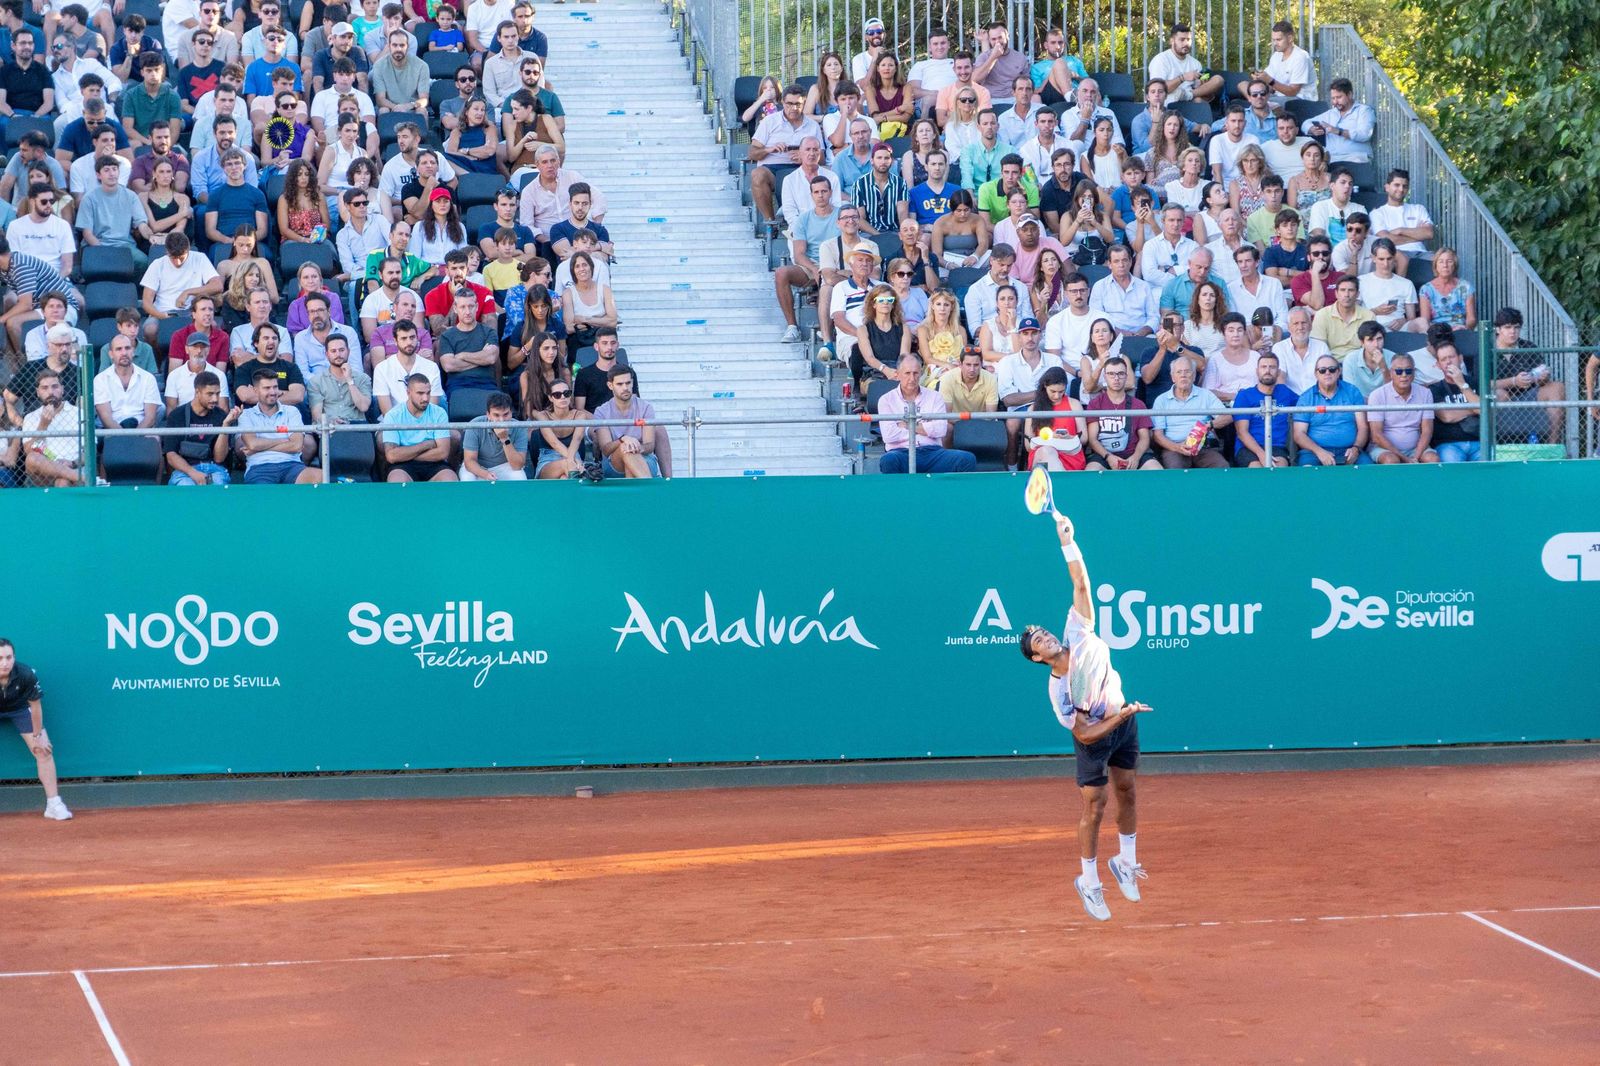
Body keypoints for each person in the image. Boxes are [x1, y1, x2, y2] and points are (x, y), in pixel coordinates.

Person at [1020, 513, 1152, 922]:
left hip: (1121, 720)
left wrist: (1067, 541)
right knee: (1095, 807)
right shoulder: (1059, 691)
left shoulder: (1078, 629)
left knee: (1127, 791)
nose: (1045, 636)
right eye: (1038, 641)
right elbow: (1088, 734)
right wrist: (1124, 713)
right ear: (1038, 658)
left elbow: (1081, 583)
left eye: (1043, 631)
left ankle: (1125, 863)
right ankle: (1089, 882)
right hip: (1097, 734)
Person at [0, 640, 72, 820]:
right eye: (0, 658)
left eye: (9, 657)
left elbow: (36, 706)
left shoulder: (25, 674)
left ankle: (54, 804)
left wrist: (38, 735)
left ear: (14, 657)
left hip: (19, 709)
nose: (5, 663)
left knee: (43, 750)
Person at [876, 353, 977, 473]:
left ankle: (951, 492)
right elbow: (889, 435)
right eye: (907, 373)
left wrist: (907, 425)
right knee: (888, 460)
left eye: (916, 373)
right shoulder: (886, 400)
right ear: (897, 375)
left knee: (967, 459)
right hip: (901, 452)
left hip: (932, 452)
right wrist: (926, 429)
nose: (912, 378)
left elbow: (940, 429)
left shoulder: (935, 396)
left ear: (921, 373)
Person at [748, 84, 822, 225]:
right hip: (772, 167)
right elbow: (752, 153)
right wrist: (768, 150)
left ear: (804, 102)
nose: (793, 108)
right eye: (789, 104)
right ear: (782, 102)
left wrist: (806, 157)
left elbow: (822, 156)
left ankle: (814, 220)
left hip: (802, 168)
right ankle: (770, 222)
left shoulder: (812, 125)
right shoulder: (770, 121)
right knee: (757, 174)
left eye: (798, 104)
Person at [238, 369, 319, 482]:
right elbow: (252, 444)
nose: (273, 392)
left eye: (275, 387)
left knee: (320, 476)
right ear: (255, 390)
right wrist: (285, 440)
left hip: (292, 465)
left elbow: (297, 446)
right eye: (267, 388)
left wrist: (258, 449)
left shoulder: (292, 411)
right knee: (267, 496)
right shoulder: (246, 415)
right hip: (260, 468)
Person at [1151, 355, 1230, 468]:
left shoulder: (1206, 395)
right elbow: (1158, 436)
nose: (1183, 375)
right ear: (1173, 377)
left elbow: (1227, 416)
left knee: (1222, 467)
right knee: (1176, 472)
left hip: (1202, 447)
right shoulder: (1161, 400)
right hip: (1174, 448)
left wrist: (1209, 425)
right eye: (1179, 372)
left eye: (1187, 371)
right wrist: (1177, 447)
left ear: (1194, 376)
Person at [164, 370, 240, 485]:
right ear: (197, 392)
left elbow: (219, 458)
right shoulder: (177, 415)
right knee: (186, 486)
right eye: (210, 394)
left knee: (218, 484)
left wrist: (225, 425)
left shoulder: (222, 416)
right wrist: (193, 472)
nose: (215, 399)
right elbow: (171, 455)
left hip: (215, 469)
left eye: (218, 394)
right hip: (185, 470)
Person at [1084, 356, 1160, 469]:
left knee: (1156, 469)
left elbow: (1144, 438)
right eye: (1111, 374)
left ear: (1126, 376)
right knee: (1091, 471)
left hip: (1134, 454)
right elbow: (1093, 439)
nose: (1116, 378)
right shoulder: (1095, 404)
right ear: (1105, 376)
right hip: (1104, 455)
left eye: (1120, 373)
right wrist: (1109, 457)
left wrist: (1136, 457)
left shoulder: (1138, 405)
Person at [1293, 355, 1371, 465]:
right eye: (1322, 370)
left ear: (1339, 372)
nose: (1327, 373)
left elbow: (1362, 427)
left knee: (1369, 472)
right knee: (1307, 474)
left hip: (1349, 450)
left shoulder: (1353, 392)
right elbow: (1299, 434)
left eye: (1332, 369)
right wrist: (1320, 452)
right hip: (1313, 452)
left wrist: (1356, 449)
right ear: (1316, 374)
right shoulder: (1306, 398)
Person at [379, 372, 455, 482]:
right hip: (403, 467)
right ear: (408, 393)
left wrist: (405, 454)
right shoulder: (393, 415)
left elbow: (443, 452)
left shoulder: (439, 413)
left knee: (450, 480)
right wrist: (427, 444)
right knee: (396, 481)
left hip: (433, 464)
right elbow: (391, 456)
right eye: (420, 393)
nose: (425, 398)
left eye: (428, 393)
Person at [1366, 352, 1438, 463]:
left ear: (1414, 373)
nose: (1404, 375)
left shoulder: (1425, 393)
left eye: (1408, 371)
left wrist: (1416, 457)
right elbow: (1376, 435)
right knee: (1391, 460)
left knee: (1432, 459)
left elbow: (1427, 431)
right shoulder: (1377, 395)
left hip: (1416, 449)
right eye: (1399, 371)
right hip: (1384, 449)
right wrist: (1404, 458)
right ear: (1391, 373)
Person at [591, 365, 660, 479]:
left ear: (632, 383)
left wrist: (636, 448)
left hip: (645, 458)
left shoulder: (646, 407)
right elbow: (606, 449)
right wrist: (623, 440)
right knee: (624, 448)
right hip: (613, 463)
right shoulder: (601, 411)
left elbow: (650, 446)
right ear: (610, 385)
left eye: (628, 383)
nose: (625, 388)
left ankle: (637, 493)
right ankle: (649, 489)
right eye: (620, 384)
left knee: (628, 452)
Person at [1231, 351, 1297, 466]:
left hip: (1276, 446)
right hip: (1248, 447)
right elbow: (1242, 432)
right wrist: (1262, 454)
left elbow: (1305, 403)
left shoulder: (1285, 392)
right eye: (1263, 367)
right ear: (1257, 371)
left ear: (1278, 372)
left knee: (1280, 468)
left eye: (1272, 367)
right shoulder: (1245, 395)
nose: (1267, 371)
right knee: (1257, 469)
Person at [19, 368, 83, 485]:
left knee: (62, 482)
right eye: (45, 388)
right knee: (32, 458)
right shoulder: (30, 417)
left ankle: (74, 475)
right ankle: (80, 477)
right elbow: (29, 452)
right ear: (37, 392)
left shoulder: (78, 413)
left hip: (74, 465)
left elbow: (90, 451)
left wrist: (72, 463)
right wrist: (43, 425)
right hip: (45, 471)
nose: (50, 392)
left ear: (62, 389)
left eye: (55, 387)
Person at [1022, 365, 1087, 470]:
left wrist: (1068, 437)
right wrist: (1050, 438)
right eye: (1053, 391)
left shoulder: (1074, 404)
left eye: (1061, 392)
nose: (1057, 396)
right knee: (1047, 451)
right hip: (1042, 454)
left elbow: (1084, 438)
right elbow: (1028, 445)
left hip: (1069, 453)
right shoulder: (1033, 408)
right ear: (1045, 386)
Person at [1428, 341, 1482, 463]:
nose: (1448, 362)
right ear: (1438, 365)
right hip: (1449, 444)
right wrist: (1474, 409)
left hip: (1479, 442)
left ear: (1460, 358)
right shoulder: (1435, 388)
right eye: (1443, 359)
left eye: (1451, 357)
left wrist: (1462, 384)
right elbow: (1447, 416)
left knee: (1487, 471)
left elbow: (1483, 410)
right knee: (1453, 471)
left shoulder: (1476, 383)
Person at [307, 331, 373, 427]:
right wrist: (330, 421)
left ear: (348, 351)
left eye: (342, 350)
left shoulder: (363, 378)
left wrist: (350, 380)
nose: (338, 354)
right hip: (329, 427)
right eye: (333, 351)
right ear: (326, 354)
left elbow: (363, 407)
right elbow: (316, 415)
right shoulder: (316, 382)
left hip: (356, 426)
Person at [1301, 78, 1374, 164]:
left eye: (1339, 97)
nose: (1335, 102)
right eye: (1333, 98)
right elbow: (1305, 124)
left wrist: (1338, 131)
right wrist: (1311, 129)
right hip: (1332, 159)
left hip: (1356, 158)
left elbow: (1365, 135)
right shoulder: (1330, 114)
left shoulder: (1364, 111)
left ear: (1349, 94)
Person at [460, 391, 528, 481]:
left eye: (506, 414)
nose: (501, 420)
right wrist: (485, 474)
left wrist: (505, 439)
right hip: (478, 467)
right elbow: (469, 461)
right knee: (467, 478)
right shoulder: (475, 424)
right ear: (488, 414)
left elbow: (517, 466)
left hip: (505, 466)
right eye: (496, 415)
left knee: (519, 477)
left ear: (511, 413)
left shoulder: (519, 427)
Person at [1148, 22, 1221, 103]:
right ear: (1172, 41)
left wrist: (1202, 85)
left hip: (1189, 99)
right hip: (1169, 103)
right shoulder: (1161, 60)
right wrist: (1183, 78)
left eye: (1188, 40)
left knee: (1218, 80)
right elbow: (1158, 90)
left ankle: (1188, 96)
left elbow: (1207, 96)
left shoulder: (1195, 63)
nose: (1186, 43)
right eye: (1182, 40)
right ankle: (1187, 96)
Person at [1418, 248, 1477, 331]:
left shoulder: (1466, 287)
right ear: (1436, 265)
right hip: (1437, 332)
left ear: (1455, 265)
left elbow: (1471, 319)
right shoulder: (1426, 289)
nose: (1445, 265)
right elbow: (1425, 321)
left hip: (1460, 330)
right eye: (1441, 262)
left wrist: (1465, 328)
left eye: (1449, 261)